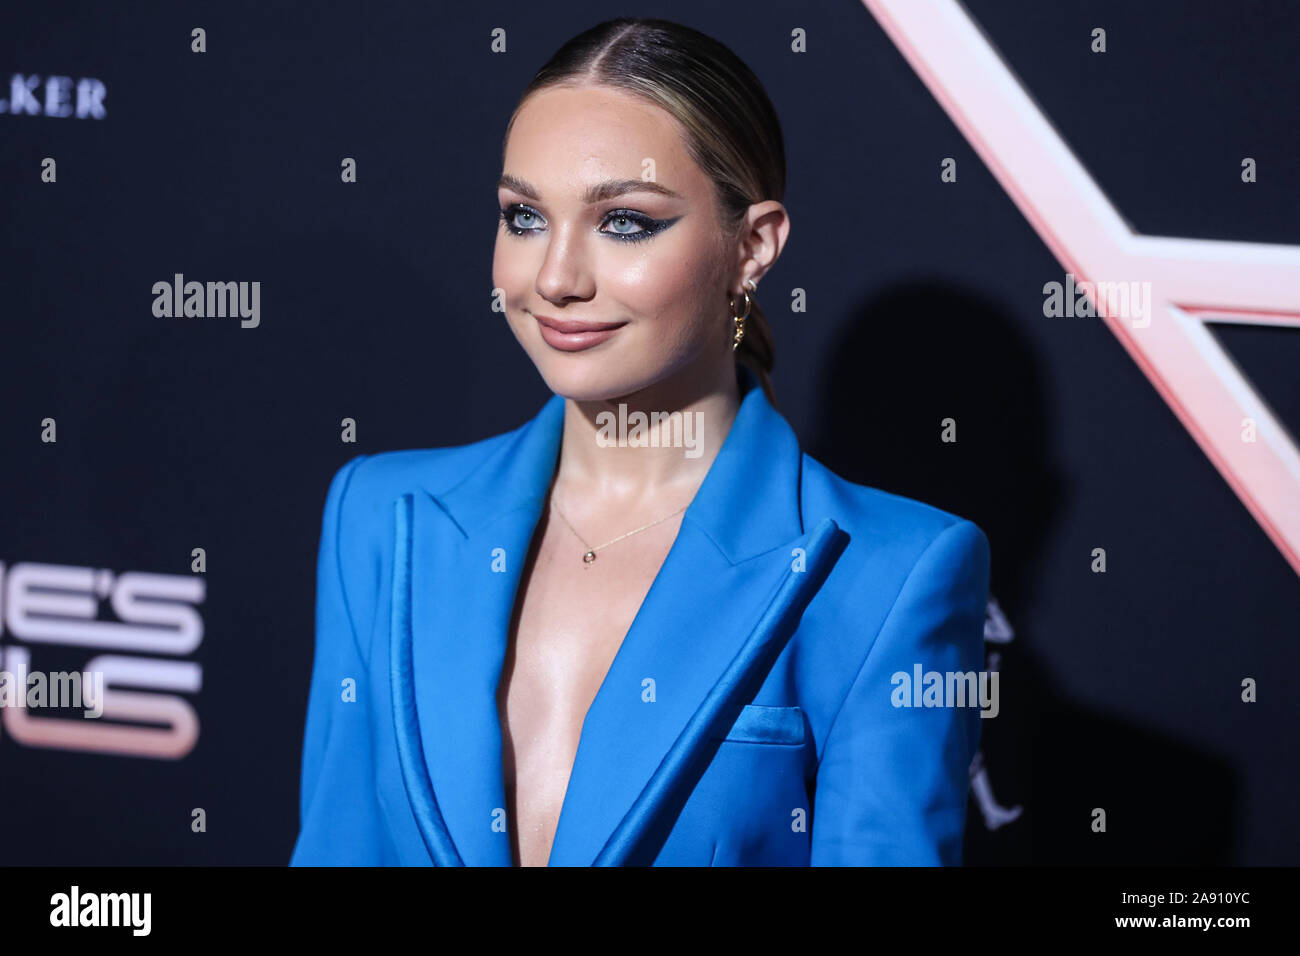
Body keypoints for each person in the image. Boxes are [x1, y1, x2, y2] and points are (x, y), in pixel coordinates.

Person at [290, 16, 990, 867]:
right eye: (523, 216)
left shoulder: (890, 575)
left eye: (623, 221)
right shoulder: (382, 518)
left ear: (754, 247)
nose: (554, 278)